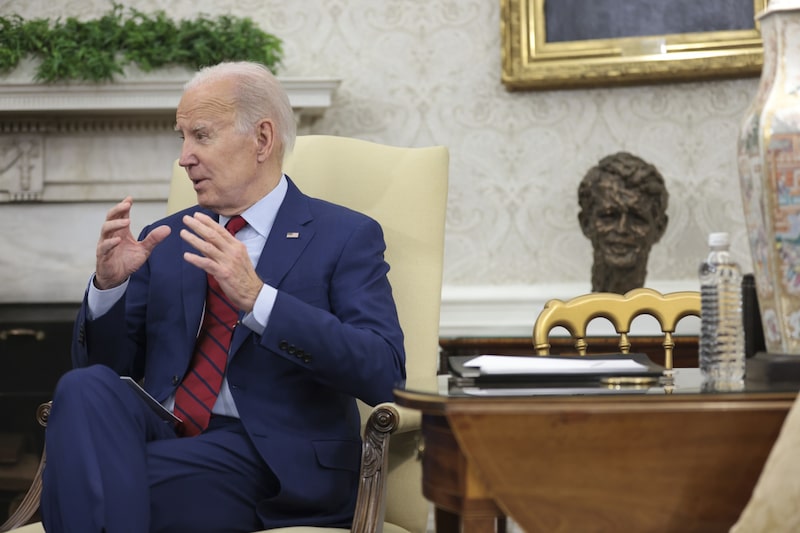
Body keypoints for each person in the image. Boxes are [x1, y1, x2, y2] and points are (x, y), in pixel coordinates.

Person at [40, 61, 405, 532]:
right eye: (182, 137)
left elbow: (384, 372)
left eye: (201, 136)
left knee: (83, 483)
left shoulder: (344, 236)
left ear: (262, 139)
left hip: (270, 459)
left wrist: (260, 300)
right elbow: (109, 372)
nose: (184, 157)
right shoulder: (166, 238)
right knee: (80, 388)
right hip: (162, 433)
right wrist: (109, 289)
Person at [577, 152, 669, 294]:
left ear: (659, 228)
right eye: (609, 216)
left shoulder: (668, 315)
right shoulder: (562, 316)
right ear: (586, 223)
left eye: (637, 218)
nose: (622, 229)